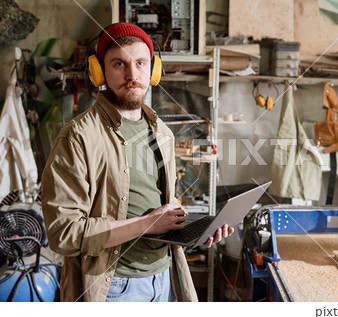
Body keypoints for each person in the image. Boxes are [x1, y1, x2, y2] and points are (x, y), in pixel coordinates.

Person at [41, 23, 233, 302]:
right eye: (119, 63)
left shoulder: (161, 132)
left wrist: (196, 230)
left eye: (141, 63)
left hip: (163, 277)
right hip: (116, 286)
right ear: (99, 72)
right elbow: (64, 234)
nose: (132, 74)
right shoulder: (77, 137)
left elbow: (157, 205)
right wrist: (146, 224)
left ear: (152, 70)